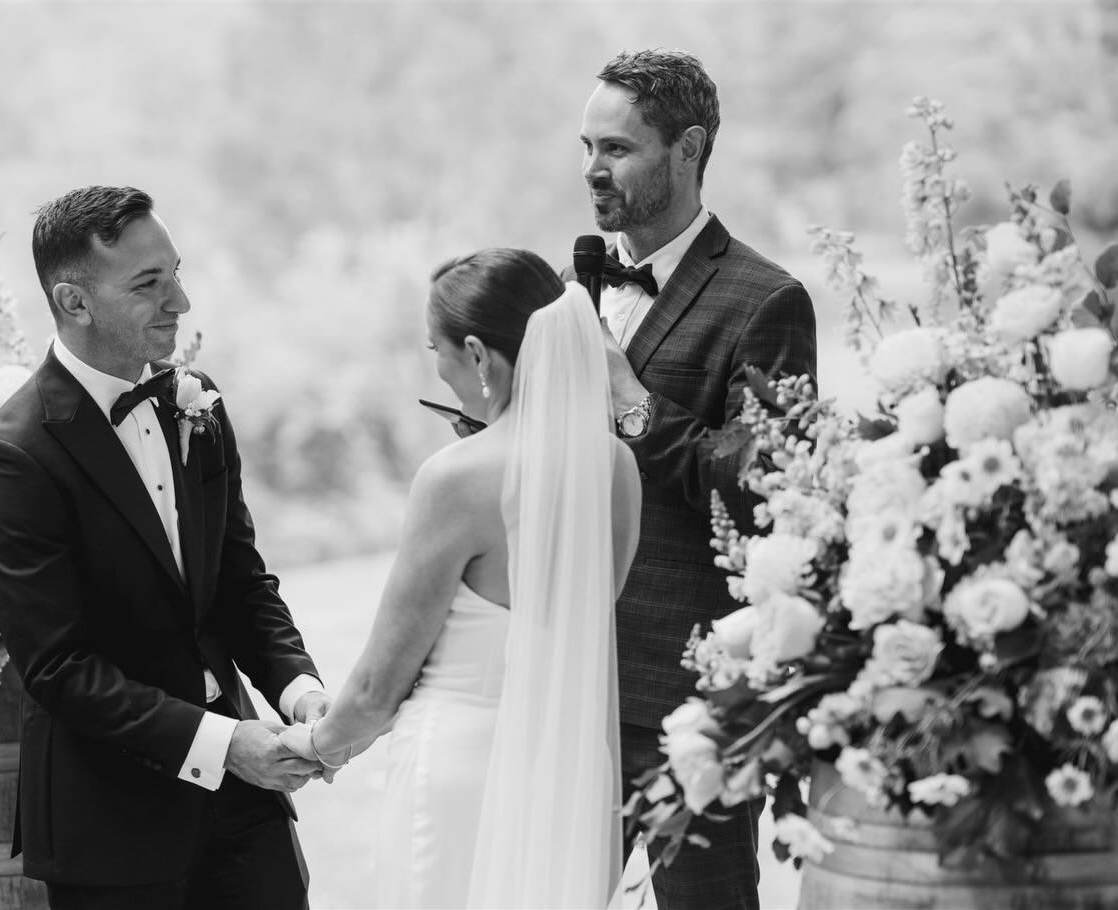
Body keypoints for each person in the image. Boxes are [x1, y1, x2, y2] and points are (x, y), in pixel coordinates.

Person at [0, 185, 330, 910]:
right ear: (74, 303)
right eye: (149, 285)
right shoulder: (14, 455)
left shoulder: (198, 403)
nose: (181, 302)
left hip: (245, 811)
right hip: (110, 824)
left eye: (176, 273)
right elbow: (61, 669)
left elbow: (238, 580)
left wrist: (299, 689)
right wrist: (228, 745)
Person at [280, 249, 643, 908]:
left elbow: (374, 686)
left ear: (478, 354)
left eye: (436, 350)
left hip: (462, 774)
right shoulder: (616, 467)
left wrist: (310, 745)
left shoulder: (457, 477)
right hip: (567, 771)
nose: (437, 369)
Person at [578, 50, 819, 910]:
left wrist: (629, 401)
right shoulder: (567, 289)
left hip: (685, 692)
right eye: (586, 147)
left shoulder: (765, 300)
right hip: (561, 675)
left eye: (616, 149)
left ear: (686, 150)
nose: (591, 170)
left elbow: (762, 485)